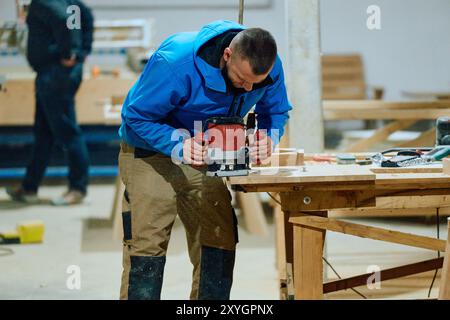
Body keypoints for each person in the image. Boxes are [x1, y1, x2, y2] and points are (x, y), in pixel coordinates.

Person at [118, 20, 292, 300]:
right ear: (227, 55)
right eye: (241, 79)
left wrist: (267, 137)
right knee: (147, 245)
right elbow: (136, 116)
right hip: (150, 152)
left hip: (205, 152)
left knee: (218, 239)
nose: (248, 89)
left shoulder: (267, 66)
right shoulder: (175, 62)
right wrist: (179, 143)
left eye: (255, 83)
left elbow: (277, 110)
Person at [7, 0, 94, 206]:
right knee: (44, 132)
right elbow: (86, 17)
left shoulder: (43, 1)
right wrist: (82, 52)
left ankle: (77, 188)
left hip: (55, 74)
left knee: (67, 132)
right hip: (57, 73)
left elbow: (65, 20)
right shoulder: (68, 2)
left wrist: (70, 53)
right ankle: (29, 186)